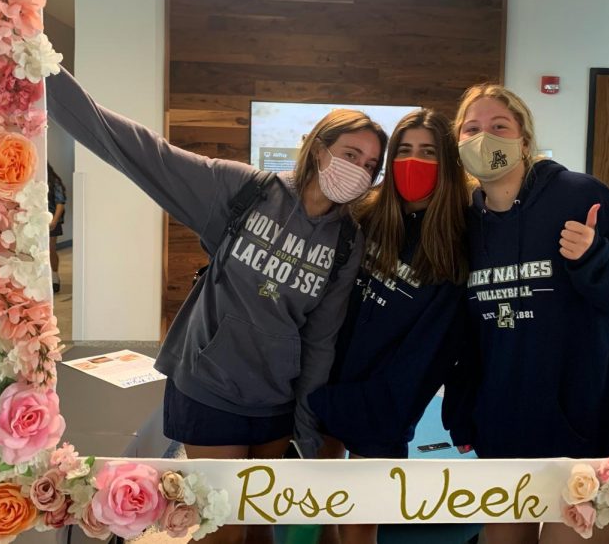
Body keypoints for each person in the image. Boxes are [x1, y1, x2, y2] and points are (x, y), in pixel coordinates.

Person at [45, 68, 386, 544]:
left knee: (260, 527)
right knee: (221, 530)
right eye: (351, 154)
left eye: (371, 165)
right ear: (320, 148)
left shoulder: (347, 242)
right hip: (209, 388)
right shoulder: (245, 191)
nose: (360, 170)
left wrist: (307, 429)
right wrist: (40, 72)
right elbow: (148, 154)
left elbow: (320, 342)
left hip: (274, 401)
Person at [442, 84, 609, 544]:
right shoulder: (462, 224)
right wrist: (463, 413)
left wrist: (595, 258)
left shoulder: (578, 195)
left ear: (524, 140)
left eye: (498, 127)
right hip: (503, 428)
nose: (483, 138)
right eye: (471, 129)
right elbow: (465, 333)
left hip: (585, 426)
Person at [310, 109, 469, 544]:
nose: (413, 161)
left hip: (384, 399)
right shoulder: (365, 213)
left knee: (361, 519)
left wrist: (393, 402)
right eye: (404, 150)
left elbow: (437, 347)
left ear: (448, 163)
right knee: (324, 502)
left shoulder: (457, 240)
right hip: (329, 378)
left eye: (428, 152)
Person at [47, 163, 66, 293]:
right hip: (37, 221)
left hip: (52, 220)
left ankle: (54, 277)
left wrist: (54, 221)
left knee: (51, 249)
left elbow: (60, 203)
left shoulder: (55, 182)